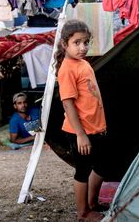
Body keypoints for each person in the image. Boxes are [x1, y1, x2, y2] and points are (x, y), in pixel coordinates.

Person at [54, 19, 108, 220]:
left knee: (102, 166)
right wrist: (80, 135)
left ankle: (92, 203)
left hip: (96, 128)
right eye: (77, 42)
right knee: (82, 171)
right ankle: (83, 213)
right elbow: (68, 104)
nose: (82, 47)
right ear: (64, 44)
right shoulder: (67, 68)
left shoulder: (83, 63)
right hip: (80, 131)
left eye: (86, 42)